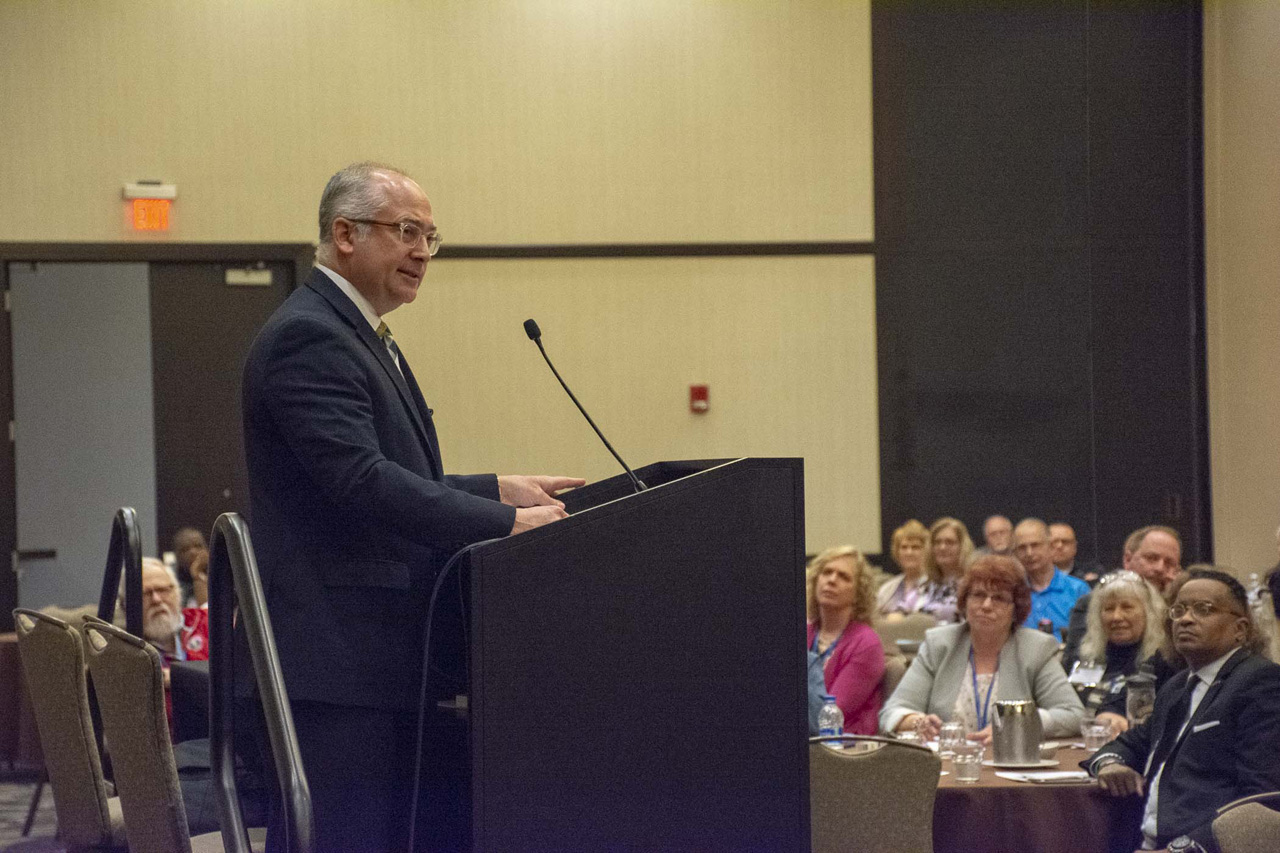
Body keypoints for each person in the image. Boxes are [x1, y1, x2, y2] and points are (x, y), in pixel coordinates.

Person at [240, 162, 585, 853]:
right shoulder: (310, 336)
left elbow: (393, 474)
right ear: (345, 233)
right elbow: (364, 483)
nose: (423, 252)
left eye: (430, 235)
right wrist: (508, 525)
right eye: (406, 231)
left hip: (370, 658)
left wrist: (498, 487)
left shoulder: (357, 332)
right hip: (337, 664)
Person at [1086, 569, 1280, 853]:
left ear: (1240, 629)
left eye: (1204, 610)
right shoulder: (1178, 686)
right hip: (1143, 840)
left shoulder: (1260, 683)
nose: (1185, 619)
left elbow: (1263, 797)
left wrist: (1186, 848)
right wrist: (1110, 763)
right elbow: (1134, 741)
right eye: (1179, 610)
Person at [880, 555, 1084, 742]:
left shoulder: (1035, 648)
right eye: (978, 595)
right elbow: (892, 712)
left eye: (999, 598)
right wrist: (916, 721)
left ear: (1016, 607)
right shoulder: (939, 644)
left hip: (1010, 764)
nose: (986, 605)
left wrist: (1018, 722)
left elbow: (1073, 715)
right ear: (964, 601)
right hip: (947, 766)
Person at [1062, 570, 1178, 733]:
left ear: (1148, 613)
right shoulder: (1083, 657)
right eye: (1109, 609)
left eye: (1127, 607)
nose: (1116, 616)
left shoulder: (1163, 662)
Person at [1064, 525, 1182, 665]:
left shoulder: (1179, 609)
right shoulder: (1092, 603)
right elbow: (1074, 663)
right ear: (1127, 559)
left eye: (1169, 563)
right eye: (1151, 558)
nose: (1160, 568)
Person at [806, 546, 886, 735]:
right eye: (826, 573)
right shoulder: (805, 632)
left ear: (858, 594)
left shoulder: (866, 644)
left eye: (843, 577)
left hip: (843, 750)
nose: (832, 580)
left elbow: (828, 718)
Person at [1013, 518, 1089, 639]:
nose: (1029, 553)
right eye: (1022, 547)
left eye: (1035, 545)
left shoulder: (1078, 590)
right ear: (1015, 553)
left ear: (1050, 546)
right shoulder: (1012, 592)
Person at [876, 519, 946, 619]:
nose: (909, 552)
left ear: (926, 551)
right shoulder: (886, 589)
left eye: (915, 547)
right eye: (904, 547)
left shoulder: (938, 586)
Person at [924, 517, 974, 622]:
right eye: (937, 542)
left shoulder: (972, 585)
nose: (942, 547)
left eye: (950, 542)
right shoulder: (925, 585)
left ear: (962, 547)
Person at [172, 526, 209, 607]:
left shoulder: (221, 577)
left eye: (198, 546)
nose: (193, 552)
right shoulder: (173, 584)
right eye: (185, 549)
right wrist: (196, 574)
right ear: (177, 556)